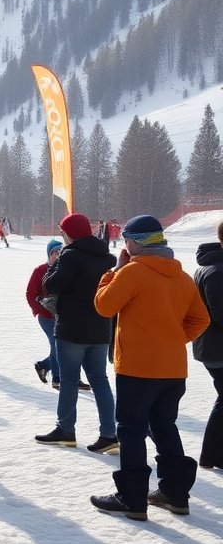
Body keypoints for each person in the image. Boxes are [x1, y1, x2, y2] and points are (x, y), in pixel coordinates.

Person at [90, 215, 210, 520]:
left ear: (133, 243)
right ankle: (174, 493)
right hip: (172, 369)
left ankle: (132, 498)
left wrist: (113, 272)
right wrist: (171, 340)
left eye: (125, 240)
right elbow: (201, 320)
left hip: (138, 369)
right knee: (164, 427)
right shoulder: (181, 277)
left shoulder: (132, 272)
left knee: (131, 431)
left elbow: (104, 305)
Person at [38, 213, 118, 453]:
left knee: (69, 380)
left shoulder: (70, 256)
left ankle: (66, 429)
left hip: (72, 328)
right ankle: (109, 434)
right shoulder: (105, 257)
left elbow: (51, 285)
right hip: (101, 327)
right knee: (99, 380)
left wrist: (56, 263)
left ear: (69, 233)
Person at [193, 220, 223, 471]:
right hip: (216, 348)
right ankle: (211, 455)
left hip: (212, 346)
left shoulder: (213, 267)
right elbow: (220, 314)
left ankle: (212, 454)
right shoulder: (217, 271)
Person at [27, 240, 64, 388]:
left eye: (61, 252)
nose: (58, 255)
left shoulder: (66, 270)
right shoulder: (40, 270)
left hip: (63, 315)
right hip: (46, 316)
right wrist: (39, 309)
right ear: (49, 254)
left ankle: (44, 365)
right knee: (56, 345)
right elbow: (30, 293)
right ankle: (57, 377)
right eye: (55, 252)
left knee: (65, 346)